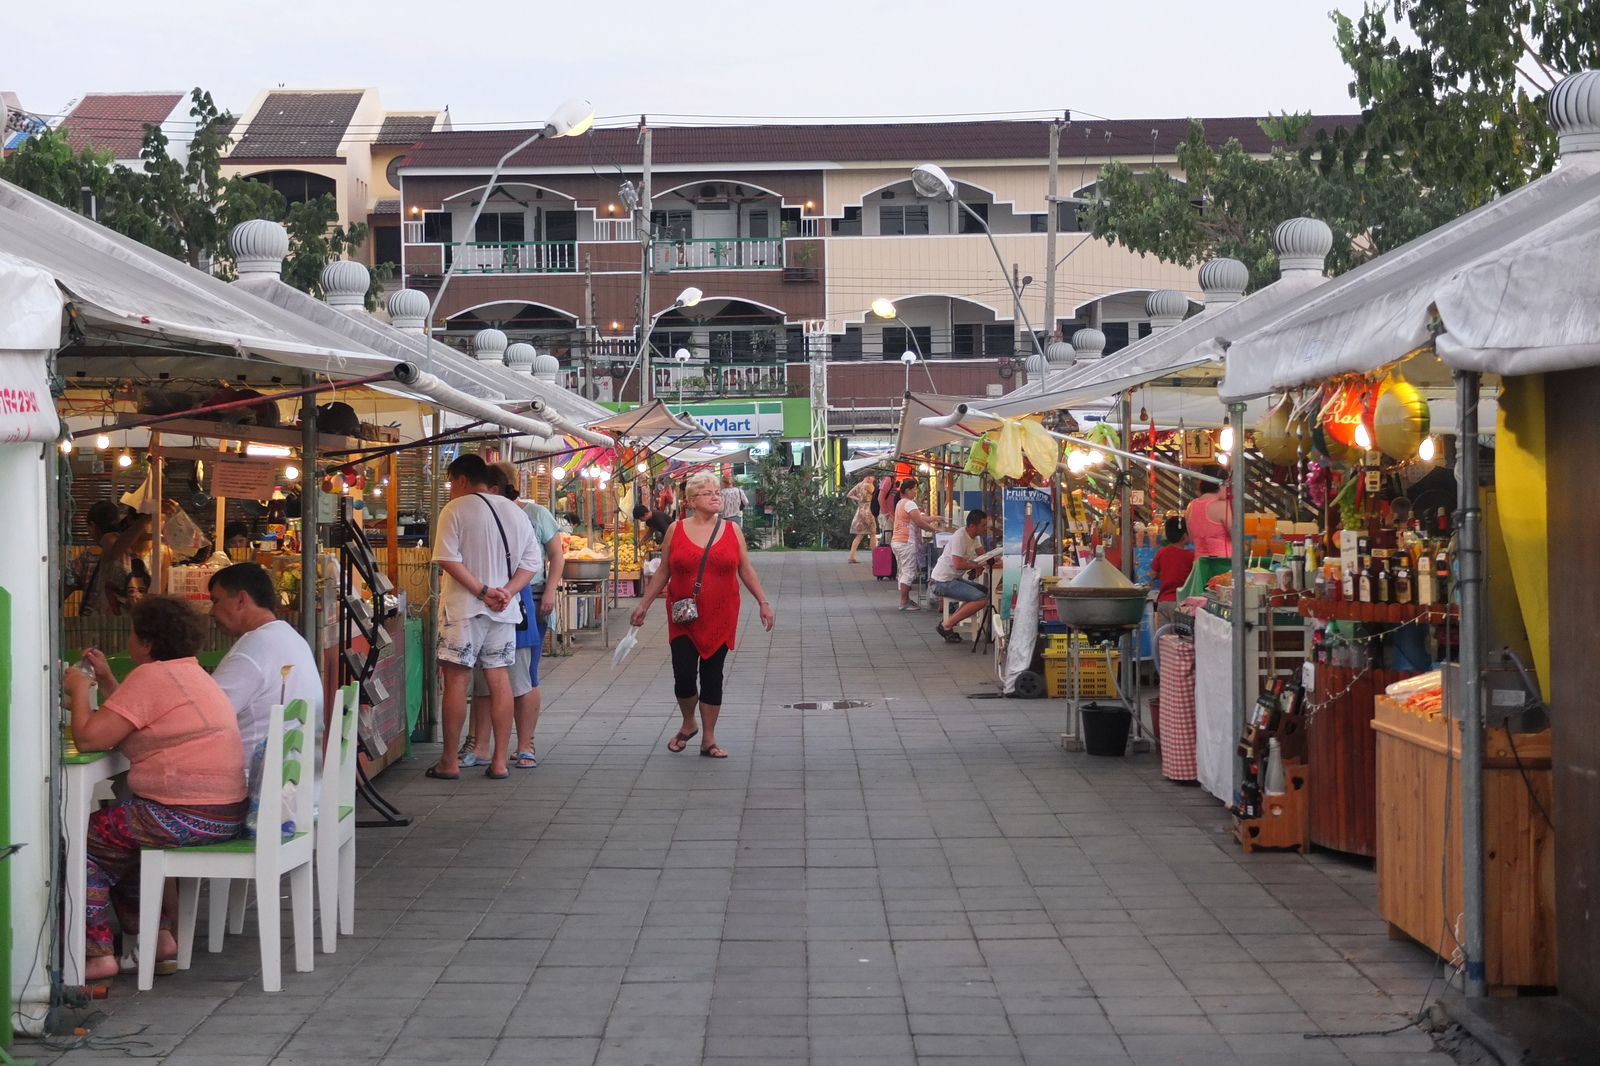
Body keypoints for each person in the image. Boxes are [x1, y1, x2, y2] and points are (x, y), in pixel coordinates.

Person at [66, 595, 248, 981]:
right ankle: (158, 938)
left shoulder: (152, 677)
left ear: (146, 642)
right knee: (118, 837)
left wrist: (80, 688)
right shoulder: (189, 673)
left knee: (78, 840)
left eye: (133, 634)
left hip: (182, 815)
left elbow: (89, 740)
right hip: (223, 814)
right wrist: (107, 680)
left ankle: (96, 954)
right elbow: (135, 716)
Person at [630, 470, 774, 759]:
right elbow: (664, 570)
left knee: (712, 675)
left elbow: (744, 568)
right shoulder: (676, 529)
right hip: (683, 613)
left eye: (717, 492)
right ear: (692, 500)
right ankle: (689, 722)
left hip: (721, 613)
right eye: (708, 493)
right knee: (683, 674)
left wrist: (763, 602)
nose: (715, 497)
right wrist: (644, 604)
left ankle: (708, 738)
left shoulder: (732, 530)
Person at [428, 454, 541, 780]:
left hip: (463, 609)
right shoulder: (515, 511)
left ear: (461, 479)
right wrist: (506, 591)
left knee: (457, 679)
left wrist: (482, 591)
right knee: (499, 679)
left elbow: (447, 559)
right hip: (503, 612)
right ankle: (500, 762)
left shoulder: (455, 509)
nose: (450, 489)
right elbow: (531, 563)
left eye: (451, 482)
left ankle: (449, 761)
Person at [457, 462, 558, 770]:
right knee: (485, 679)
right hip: (486, 600)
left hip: (520, 601)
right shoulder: (474, 513)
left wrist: (513, 591)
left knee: (520, 676)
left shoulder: (529, 514)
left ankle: (524, 744)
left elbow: (548, 558)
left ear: (495, 487)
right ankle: (483, 747)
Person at [207, 562, 323, 773]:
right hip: (295, 778)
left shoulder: (253, 649)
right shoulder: (290, 637)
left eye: (216, 601)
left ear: (241, 599)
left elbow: (206, 716)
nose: (211, 611)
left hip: (255, 783)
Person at [930, 509, 996, 643]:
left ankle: (952, 619)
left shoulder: (974, 537)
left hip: (953, 579)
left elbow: (983, 555)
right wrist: (977, 565)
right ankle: (947, 625)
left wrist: (991, 559)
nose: (985, 529)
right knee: (981, 599)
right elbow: (958, 564)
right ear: (973, 526)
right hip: (942, 582)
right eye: (983, 526)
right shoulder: (960, 537)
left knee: (983, 591)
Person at [891, 479, 950, 611]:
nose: (916, 493)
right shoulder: (910, 504)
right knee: (908, 572)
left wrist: (934, 518)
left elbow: (918, 518)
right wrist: (936, 530)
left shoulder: (901, 503)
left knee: (903, 571)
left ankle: (905, 599)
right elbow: (920, 523)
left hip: (897, 541)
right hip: (906, 541)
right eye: (914, 490)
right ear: (908, 490)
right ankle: (904, 601)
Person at [1177, 475, 1233, 601]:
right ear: (1219, 484)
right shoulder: (1221, 506)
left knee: (1202, 604)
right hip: (1223, 565)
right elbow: (1236, 534)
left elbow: (1191, 537)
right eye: (1227, 485)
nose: (1228, 489)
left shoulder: (1191, 506)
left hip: (1199, 565)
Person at [1149, 516, 1196, 626]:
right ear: (1185, 536)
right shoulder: (1191, 556)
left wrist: (1166, 572)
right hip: (1181, 603)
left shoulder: (1162, 552)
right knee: (1179, 639)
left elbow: (1152, 575)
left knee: (1163, 636)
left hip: (1163, 602)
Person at [845, 475, 876, 563]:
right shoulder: (868, 485)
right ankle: (875, 555)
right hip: (867, 509)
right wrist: (872, 484)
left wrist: (859, 499)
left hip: (860, 509)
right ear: (869, 477)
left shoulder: (859, 485)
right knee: (872, 533)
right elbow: (875, 494)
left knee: (860, 534)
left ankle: (851, 555)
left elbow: (849, 494)